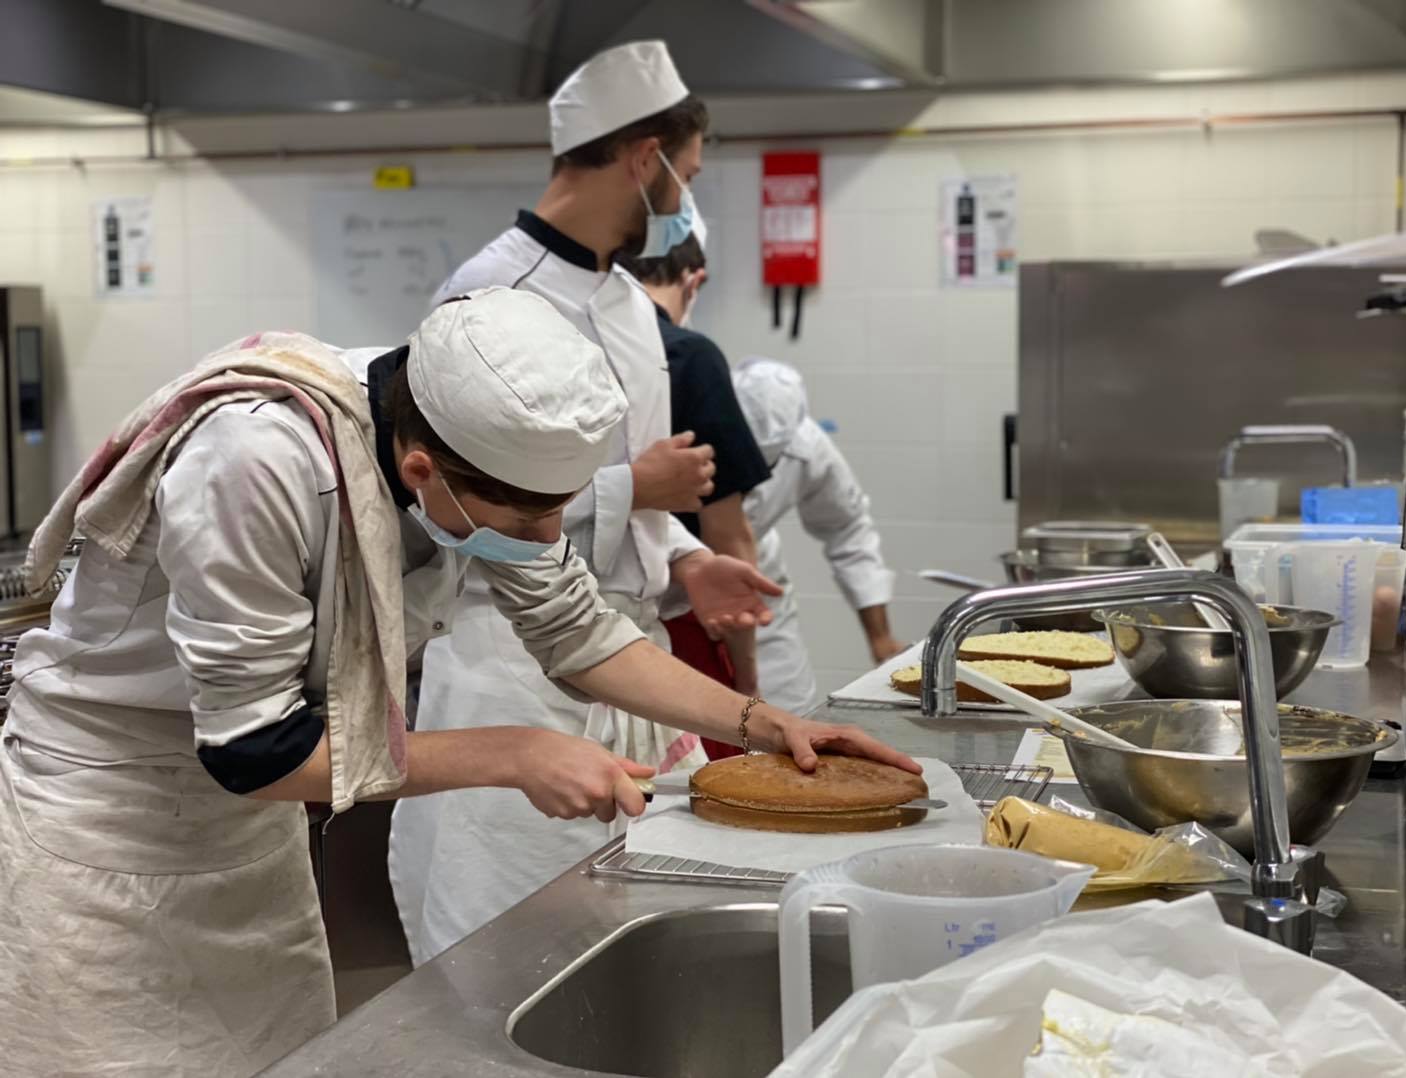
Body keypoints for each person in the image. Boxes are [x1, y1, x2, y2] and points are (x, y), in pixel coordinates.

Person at [0, 289, 916, 1076]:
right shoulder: (257, 460)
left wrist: (764, 724)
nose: (541, 536)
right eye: (527, 518)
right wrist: (515, 752)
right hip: (107, 838)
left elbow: (576, 630)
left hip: (246, 843)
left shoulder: (461, 442)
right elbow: (253, 749)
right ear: (420, 470)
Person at [390, 39, 757, 963]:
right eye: (685, 176)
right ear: (646, 159)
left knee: (617, 937)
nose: (681, 201)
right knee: (502, 939)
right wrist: (638, 484)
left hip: (613, 651)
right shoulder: (489, 293)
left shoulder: (632, 306)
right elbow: (473, 496)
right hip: (506, 664)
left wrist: (683, 557)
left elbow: (616, 493)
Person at [616, 231, 771, 757]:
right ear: (693, 279)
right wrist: (746, 679)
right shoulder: (689, 357)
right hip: (679, 628)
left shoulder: (574, 348)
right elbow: (729, 535)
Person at [733, 357, 906, 714]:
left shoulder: (807, 445)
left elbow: (848, 529)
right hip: (676, 599)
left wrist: (880, 638)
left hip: (761, 593)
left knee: (788, 715)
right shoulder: (680, 427)